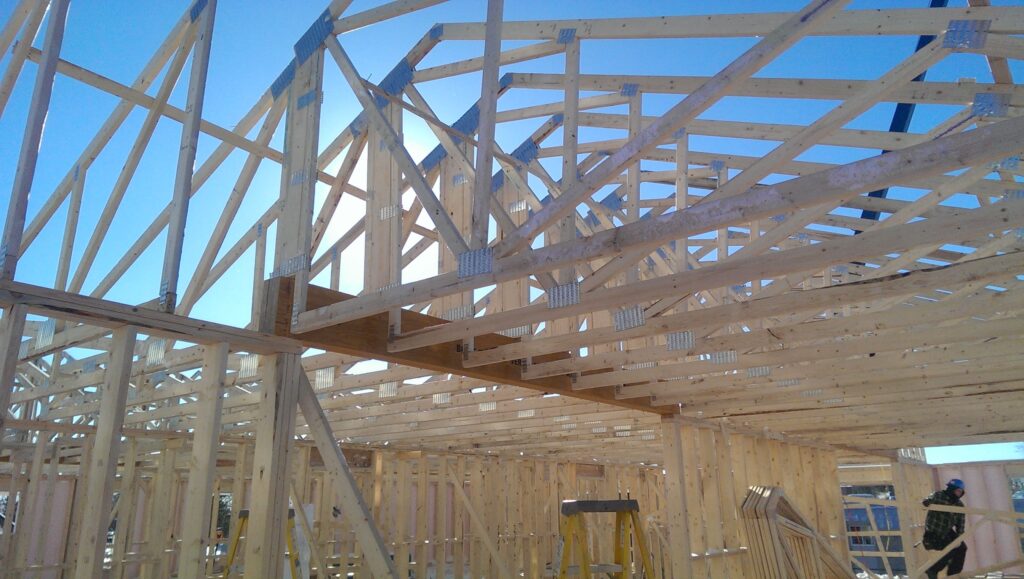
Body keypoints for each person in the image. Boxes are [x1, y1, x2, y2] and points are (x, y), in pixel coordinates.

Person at [922, 478, 967, 579]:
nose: (959, 494)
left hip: (947, 531)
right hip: (933, 532)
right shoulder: (939, 496)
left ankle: (953, 575)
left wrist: (959, 538)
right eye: (957, 491)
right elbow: (929, 499)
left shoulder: (959, 505)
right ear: (951, 489)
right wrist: (927, 502)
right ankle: (932, 570)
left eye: (960, 492)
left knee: (962, 548)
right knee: (951, 548)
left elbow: (961, 524)